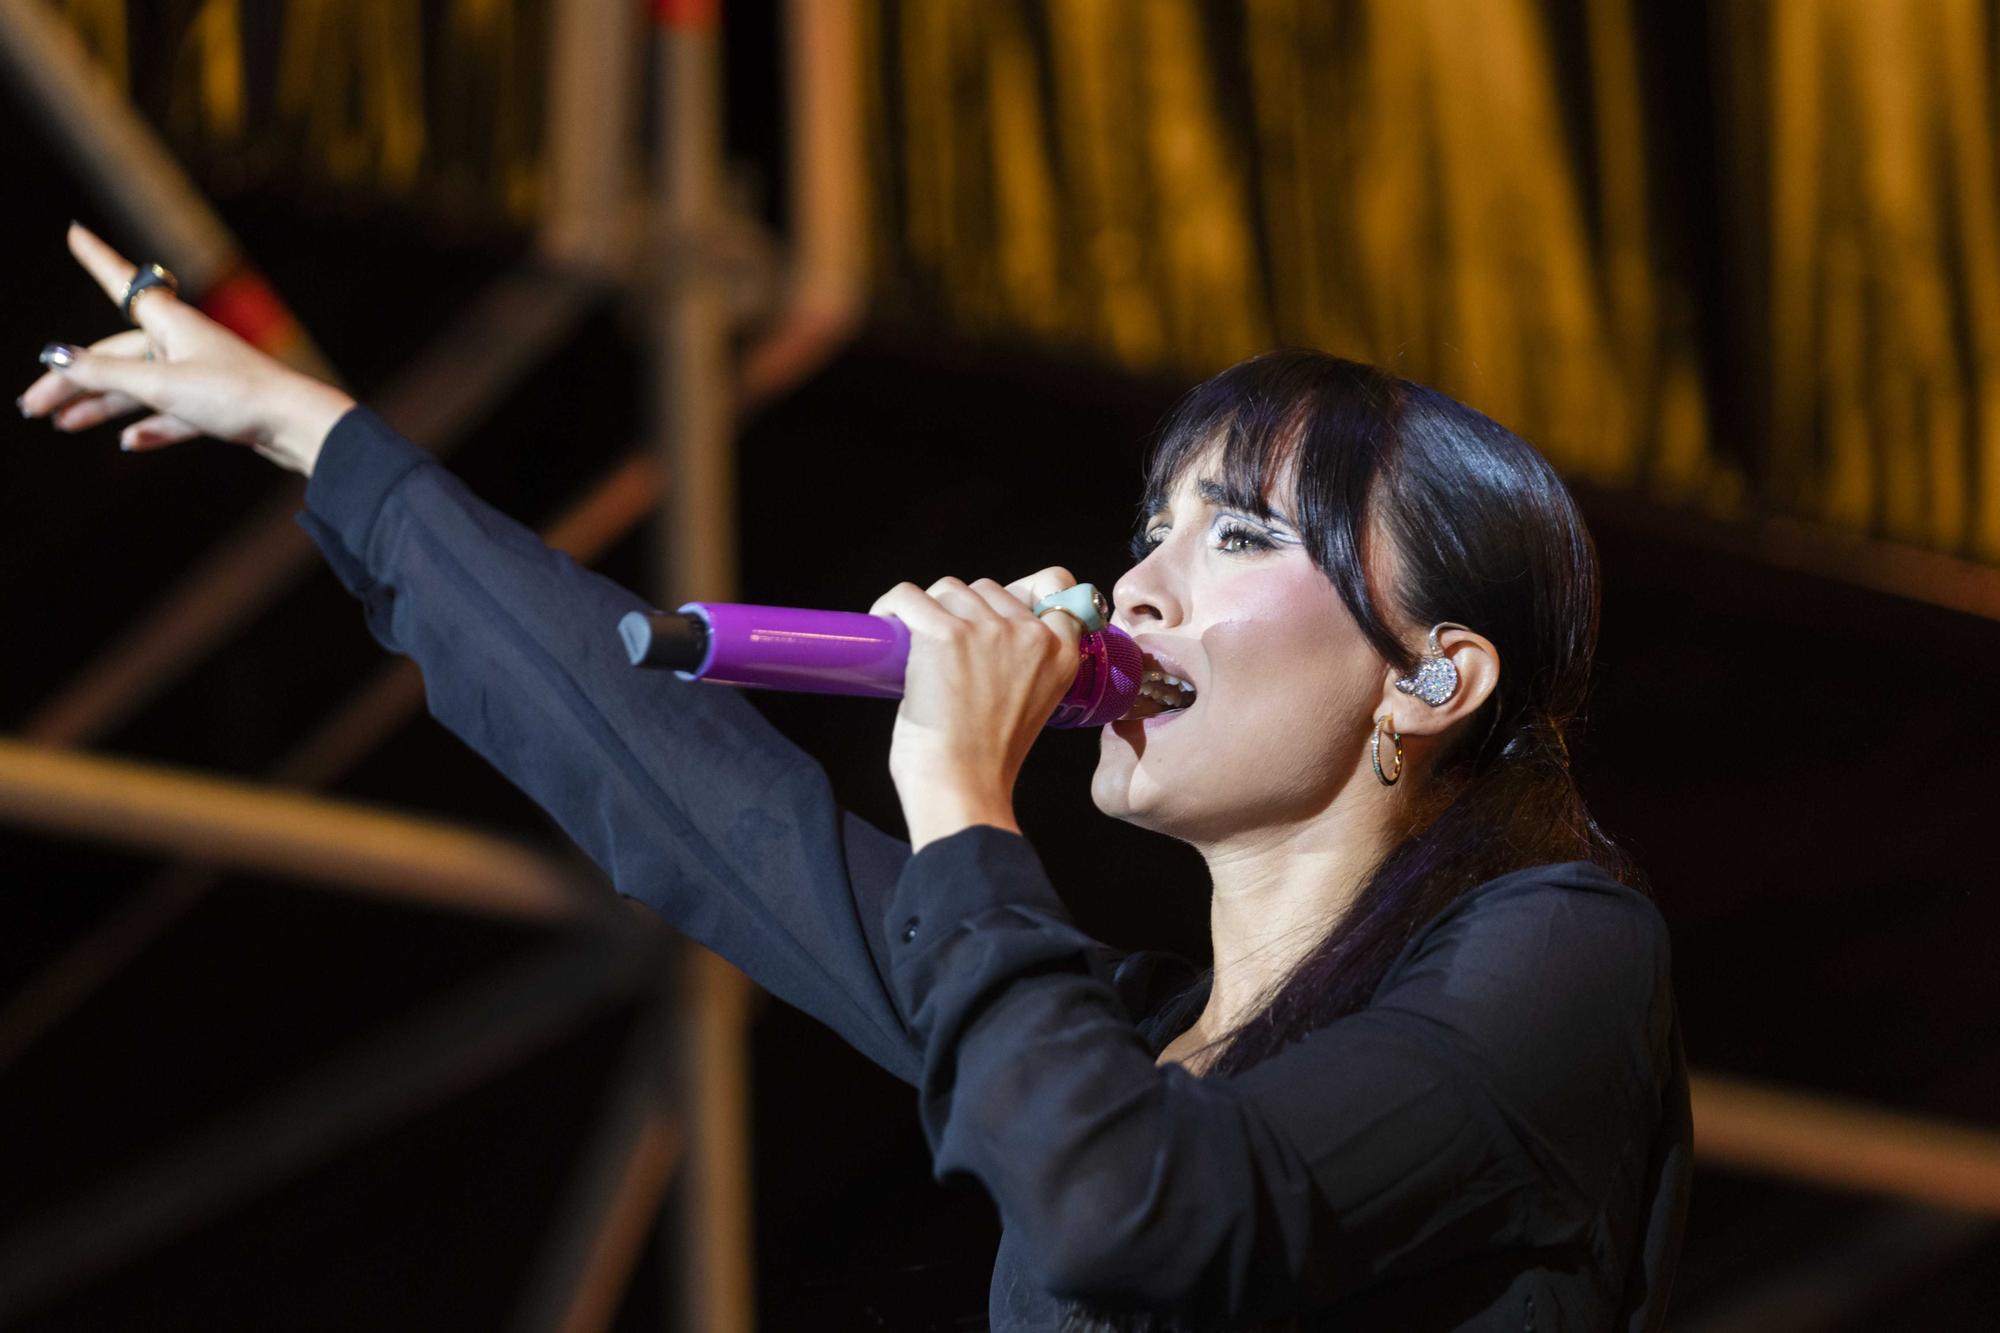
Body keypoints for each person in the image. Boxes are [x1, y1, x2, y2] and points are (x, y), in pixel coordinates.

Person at [22, 223, 1689, 1331]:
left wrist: (962, 793)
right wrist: (321, 438)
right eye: (1149, 532)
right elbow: (686, 797)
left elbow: (1141, 1207)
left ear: (1432, 675)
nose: (1141, 589)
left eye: (1239, 533)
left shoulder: (1563, 956)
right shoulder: (1106, 1027)